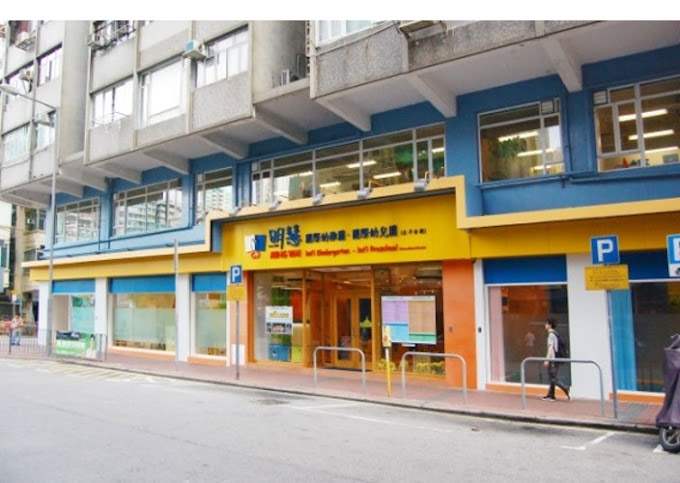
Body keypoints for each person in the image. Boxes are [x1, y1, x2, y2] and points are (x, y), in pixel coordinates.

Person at [542, 318, 570, 401]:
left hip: (553, 359)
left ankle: (565, 388)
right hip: (556, 359)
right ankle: (551, 395)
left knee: (553, 378)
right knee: (552, 377)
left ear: (550, 325)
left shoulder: (551, 335)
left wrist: (547, 360)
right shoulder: (556, 333)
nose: (545, 325)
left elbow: (550, 348)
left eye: (546, 323)